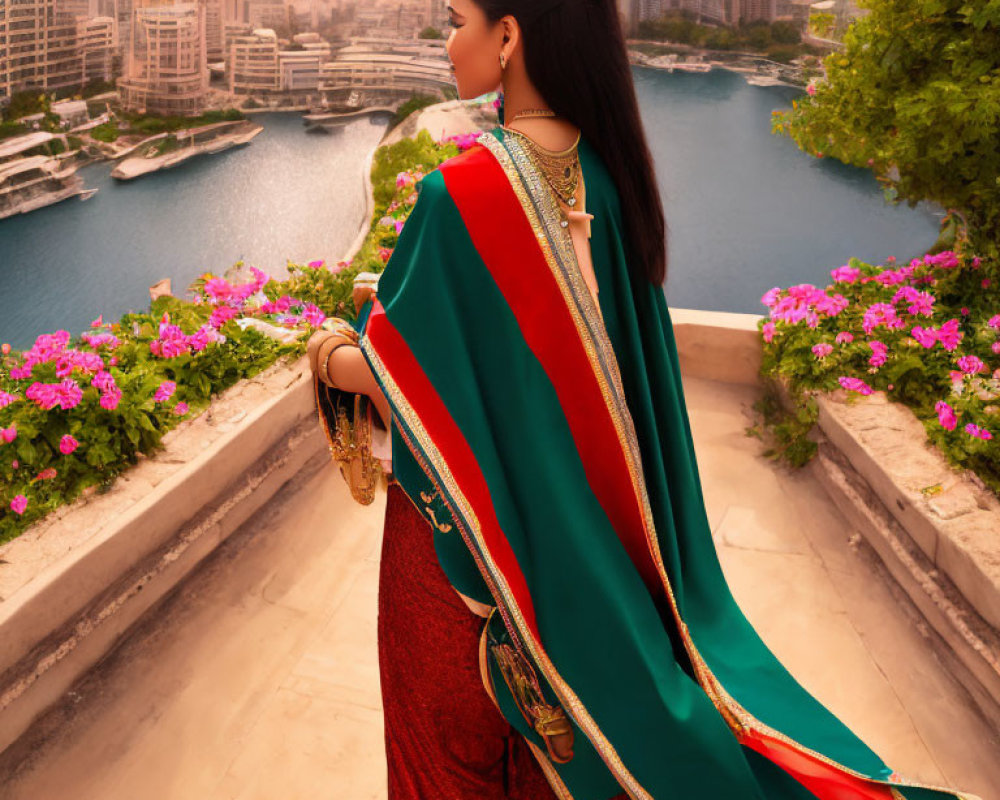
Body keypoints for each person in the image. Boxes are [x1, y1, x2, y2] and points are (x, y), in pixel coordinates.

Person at [306, 1, 984, 798]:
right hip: (583, 551)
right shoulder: (609, 177)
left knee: (441, 759)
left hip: (466, 552)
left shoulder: (461, 195)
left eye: (457, 19)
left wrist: (326, 351)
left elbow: (405, 378)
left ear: (510, 33)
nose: (447, 43)